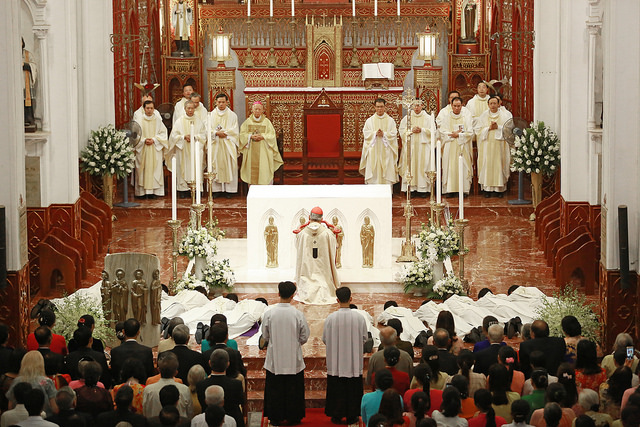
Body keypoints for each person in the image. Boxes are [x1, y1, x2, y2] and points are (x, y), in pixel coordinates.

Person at [261, 281, 310, 426]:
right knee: (293, 390)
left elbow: (265, 335)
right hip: (293, 360)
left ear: (278, 293)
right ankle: (294, 417)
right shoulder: (298, 314)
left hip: (274, 360)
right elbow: (304, 336)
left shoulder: (269, 314)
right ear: (293, 295)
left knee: (275, 389)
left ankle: (275, 417)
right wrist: (294, 344)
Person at [322, 286, 368, 424]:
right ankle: (352, 415)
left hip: (336, 362)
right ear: (351, 298)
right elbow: (364, 338)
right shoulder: (359, 318)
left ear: (337, 300)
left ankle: (336, 415)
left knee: (337, 388)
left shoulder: (331, 318)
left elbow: (325, 339)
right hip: (353, 362)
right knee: (353, 389)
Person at [294, 206, 340, 305]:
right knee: (324, 280)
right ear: (321, 219)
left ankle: (307, 290)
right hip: (324, 276)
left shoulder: (302, 234)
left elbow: (298, 249)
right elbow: (335, 247)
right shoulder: (328, 233)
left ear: (309, 217)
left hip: (307, 274)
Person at [473, 95, 512, 198]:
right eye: (491, 103)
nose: (493, 105)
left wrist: (498, 127)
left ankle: (499, 190)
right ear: (488, 105)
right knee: (487, 165)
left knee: (499, 164)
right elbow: (478, 130)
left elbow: (509, 130)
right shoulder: (483, 116)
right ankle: (487, 190)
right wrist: (489, 128)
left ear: (499, 104)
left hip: (500, 146)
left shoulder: (505, 116)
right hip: (486, 145)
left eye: (495, 103)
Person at [195, 349, 244, 427]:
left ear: (209, 363)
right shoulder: (236, 384)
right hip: (232, 421)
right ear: (228, 364)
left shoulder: (201, 385)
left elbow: (202, 403)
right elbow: (240, 401)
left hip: (207, 421)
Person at [167, 100, 206, 195]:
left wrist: (194, 137)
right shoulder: (179, 121)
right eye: (188, 108)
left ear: (194, 109)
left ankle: (196, 189)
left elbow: (203, 135)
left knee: (195, 168)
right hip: (183, 149)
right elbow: (173, 136)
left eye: (192, 108)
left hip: (195, 149)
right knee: (182, 168)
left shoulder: (199, 121)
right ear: (184, 109)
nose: (190, 110)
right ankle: (183, 190)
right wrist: (183, 137)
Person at [238, 101, 283, 185]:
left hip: (264, 152)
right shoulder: (247, 122)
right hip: (251, 151)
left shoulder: (267, 122)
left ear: (263, 110)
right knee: (251, 172)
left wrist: (263, 137)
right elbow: (242, 135)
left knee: (264, 169)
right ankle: (252, 189)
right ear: (252, 110)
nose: (257, 111)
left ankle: (265, 190)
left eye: (259, 109)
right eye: (256, 109)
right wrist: (250, 136)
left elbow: (272, 135)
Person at [133, 100, 168, 199]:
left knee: (155, 169)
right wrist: (143, 140)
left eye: (151, 108)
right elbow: (134, 135)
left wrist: (154, 140)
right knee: (142, 170)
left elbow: (163, 133)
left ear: (154, 109)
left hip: (155, 148)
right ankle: (142, 193)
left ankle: (154, 192)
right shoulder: (138, 121)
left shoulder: (158, 120)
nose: (149, 110)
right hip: (142, 149)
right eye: (147, 108)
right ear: (144, 109)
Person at [398, 100, 434, 194]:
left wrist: (422, 130)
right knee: (410, 167)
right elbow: (402, 131)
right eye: (414, 105)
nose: (416, 107)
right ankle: (411, 189)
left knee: (423, 166)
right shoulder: (407, 118)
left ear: (422, 105)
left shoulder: (428, 118)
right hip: (411, 147)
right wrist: (411, 130)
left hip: (423, 147)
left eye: (418, 105)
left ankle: (423, 190)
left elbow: (433, 131)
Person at [359, 98, 399, 185]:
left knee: (386, 171)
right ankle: (373, 190)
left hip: (386, 150)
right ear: (374, 107)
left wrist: (384, 134)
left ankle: (387, 189)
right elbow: (366, 133)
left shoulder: (390, 121)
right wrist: (375, 134)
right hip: (374, 150)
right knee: (374, 170)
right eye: (377, 107)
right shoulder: (369, 121)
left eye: (381, 107)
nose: (379, 109)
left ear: (385, 107)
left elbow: (394, 133)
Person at [6, 351, 57, 416]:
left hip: (20, 418)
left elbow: (10, 406)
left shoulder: (16, 381)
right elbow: (54, 408)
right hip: (43, 417)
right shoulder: (47, 382)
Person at [142, 352, 192, 419]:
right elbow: (189, 413)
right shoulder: (185, 390)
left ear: (158, 370)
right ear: (176, 372)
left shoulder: (148, 390)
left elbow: (145, 412)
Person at [440, 96, 473, 196]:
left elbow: (470, 132)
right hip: (449, 146)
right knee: (450, 167)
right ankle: (449, 190)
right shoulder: (446, 118)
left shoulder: (466, 118)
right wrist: (452, 134)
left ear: (462, 106)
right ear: (451, 105)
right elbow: (442, 132)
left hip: (462, 146)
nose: (457, 108)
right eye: (455, 106)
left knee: (462, 166)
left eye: (459, 106)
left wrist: (459, 135)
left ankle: (463, 190)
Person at [208, 93, 240, 195]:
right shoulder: (210, 115)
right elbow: (207, 130)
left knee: (229, 165)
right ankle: (216, 190)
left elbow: (235, 131)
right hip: (216, 144)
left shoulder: (232, 115)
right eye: (219, 102)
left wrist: (225, 133)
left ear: (227, 102)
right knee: (215, 166)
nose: (221, 104)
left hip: (228, 144)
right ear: (216, 103)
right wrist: (216, 133)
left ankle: (229, 190)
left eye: (223, 102)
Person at [110, 318, 155, 384]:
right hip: (142, 388)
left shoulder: (115, 351)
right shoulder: (147, 351)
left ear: (123, 331)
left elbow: (114, 374)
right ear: (138, 332)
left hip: (120, 388)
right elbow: (150, 374)